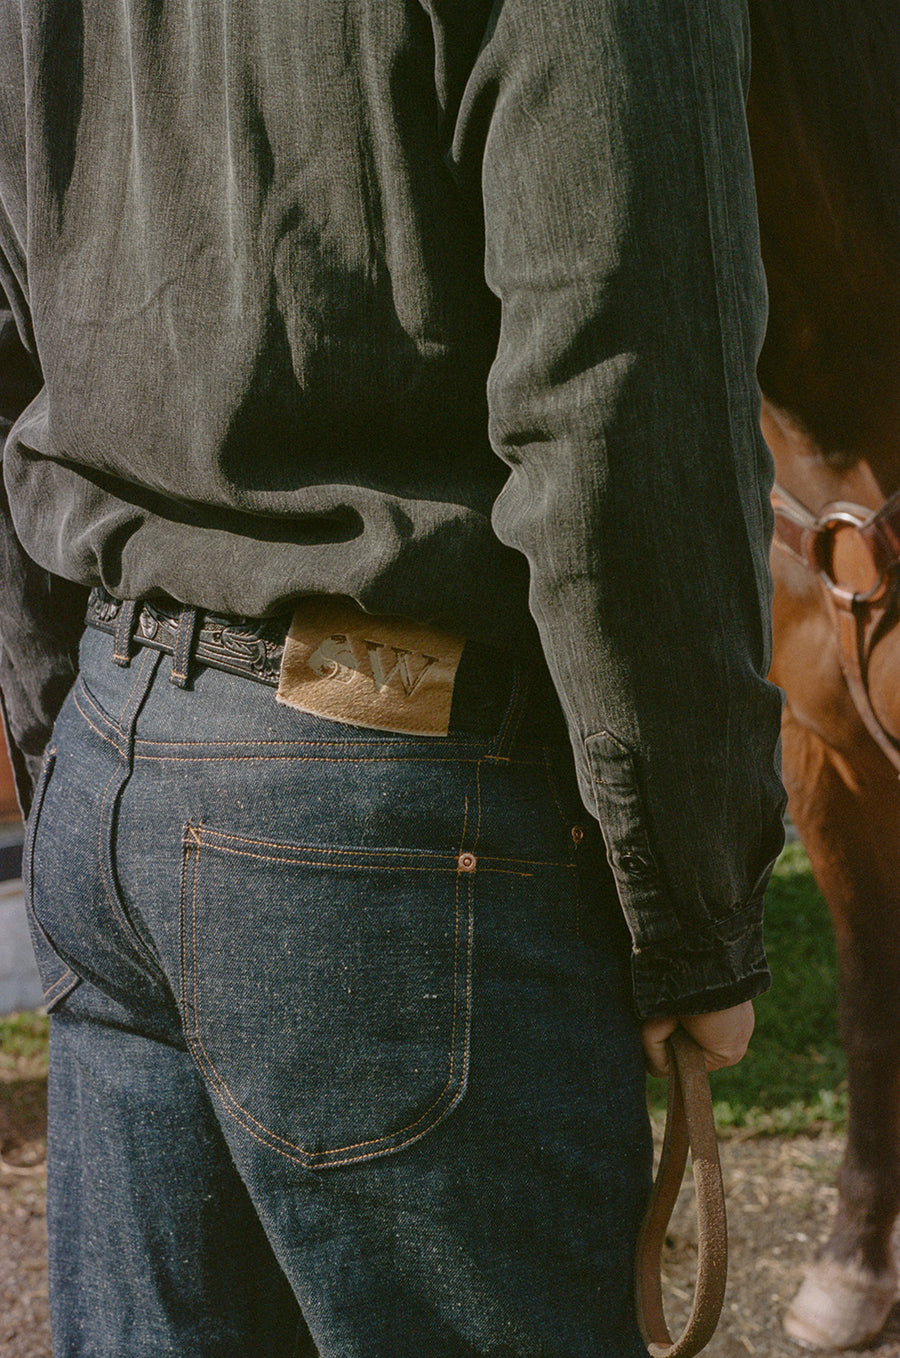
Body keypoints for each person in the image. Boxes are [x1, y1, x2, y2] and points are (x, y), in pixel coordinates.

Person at [0, 0, 785, 1353]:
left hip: (113, 754)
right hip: (388, 822)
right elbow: (627, 403)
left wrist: (64, 724)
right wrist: (695, 907)